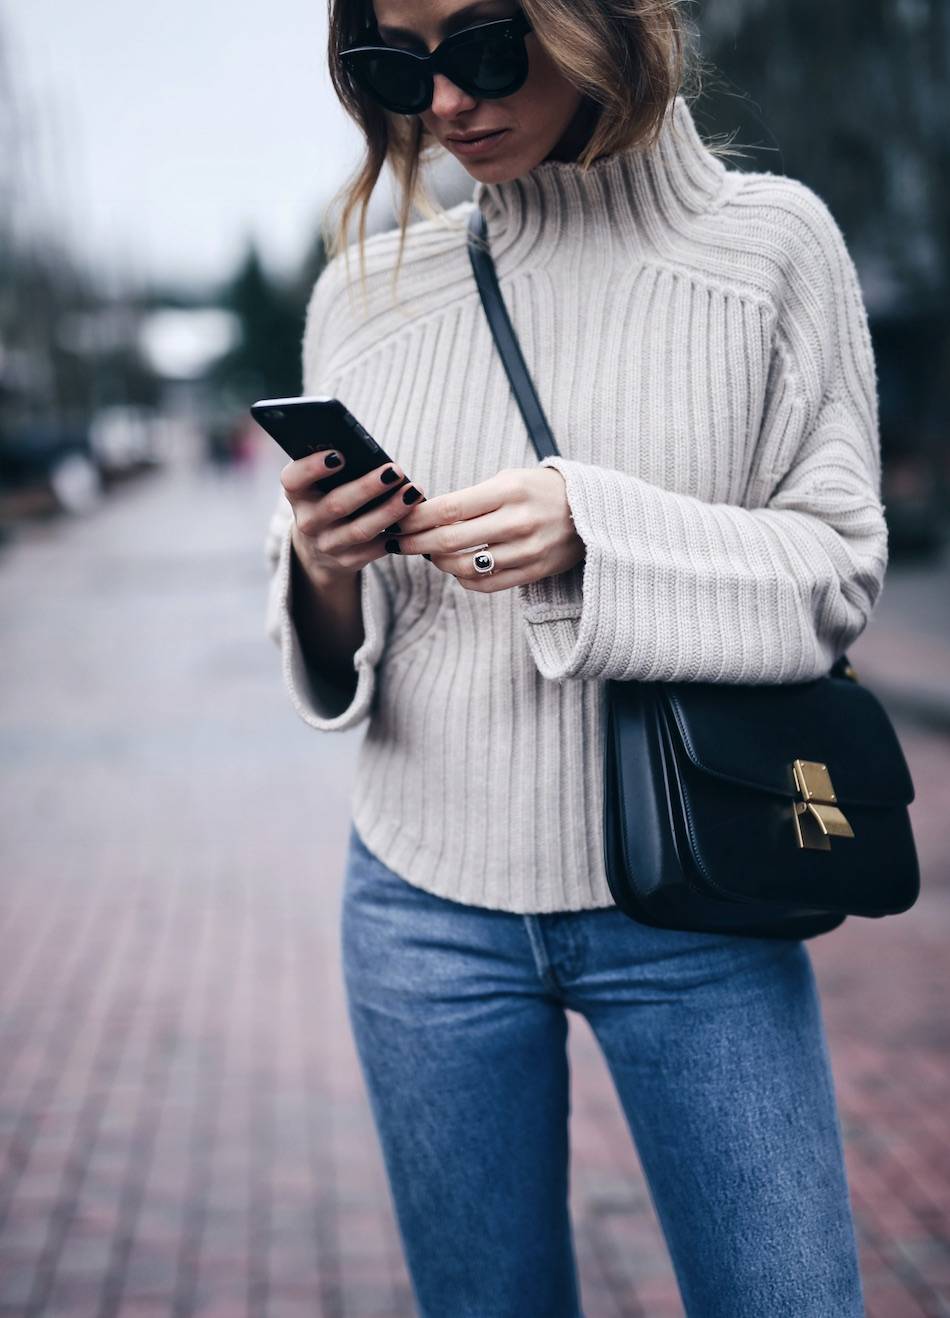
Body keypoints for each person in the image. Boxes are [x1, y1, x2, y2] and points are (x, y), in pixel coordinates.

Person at [264, 1, 882, 1312]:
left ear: (594, 21)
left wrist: (589, 530)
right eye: (392, 66)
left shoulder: (768, 249)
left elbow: (831, 576)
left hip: (699, 893)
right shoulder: (362, 296)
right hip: (420, 905)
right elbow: (355, 644)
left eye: (481, 50)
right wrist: (323, 565)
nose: (438, 104)